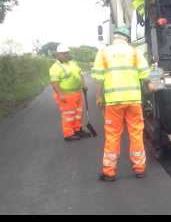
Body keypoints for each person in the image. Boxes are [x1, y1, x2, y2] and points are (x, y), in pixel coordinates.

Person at [91, 27, 155, 181]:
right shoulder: (134, 52)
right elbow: (147, 77)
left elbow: (98, 79)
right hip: (133, 100)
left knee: (112, 135)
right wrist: (150, 87)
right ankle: (139, 169)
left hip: (113, 102)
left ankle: (109, 172)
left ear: (114, 37)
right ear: (127, 38)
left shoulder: (103, 53)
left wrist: (99, 97)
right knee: (136, 134)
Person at [49, 44, 90, 141]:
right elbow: (54, 83)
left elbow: (80, 74)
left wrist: (83, 85)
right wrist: (60, 95)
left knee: (78, 113)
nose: (66, 55)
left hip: (77, 93)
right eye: (63, 54)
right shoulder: (55, 67)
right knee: (68, 115)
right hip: (66, 95)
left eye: (67, 53)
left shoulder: (73, 63)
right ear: (58, 55)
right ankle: (68, 134)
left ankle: (77, 130)